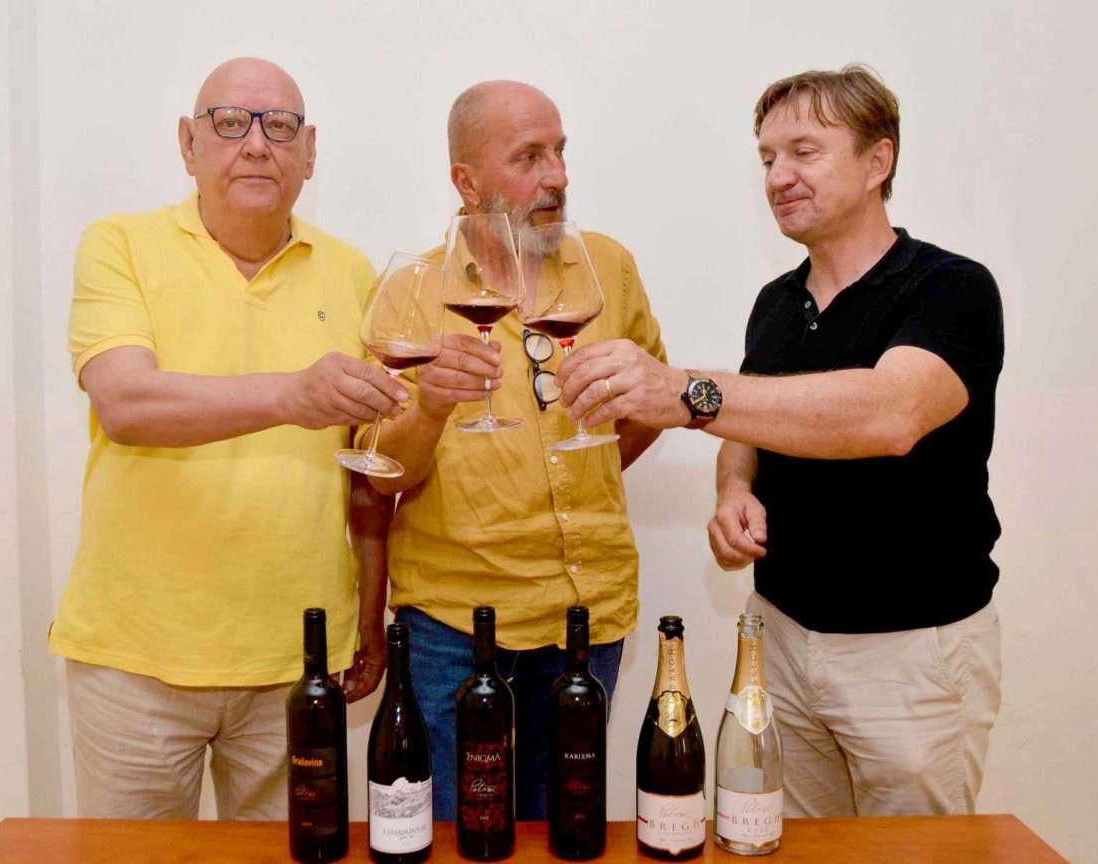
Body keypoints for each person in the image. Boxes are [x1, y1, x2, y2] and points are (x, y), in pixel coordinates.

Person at [557, 65, 1004, 817]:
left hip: (911, 656)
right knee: (781, 843)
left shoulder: (951, 288)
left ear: (878, 160)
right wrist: (734, 488)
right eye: (767, 158)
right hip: (783, 641)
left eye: (804, 151)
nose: (778, 176)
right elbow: (751, 426)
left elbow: (890, 414)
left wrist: (686, 392)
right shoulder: (777, 301)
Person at [48, 57, 406, 820]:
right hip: (133, 659)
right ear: (188, 143)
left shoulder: (352, 274)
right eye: (230, 122)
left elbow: (369, 475)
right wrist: (292, 394)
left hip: (302, 659)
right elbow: (125, 402)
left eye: (280, 126)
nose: (256, 144)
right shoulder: (119, 244)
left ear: (310, 152)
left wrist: (371, 617)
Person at [363, 80, 668, 820]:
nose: (557, 175)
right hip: (454, 629)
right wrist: (431, 407)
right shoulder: (412, 292)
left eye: (560, 152)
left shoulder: (606, 266)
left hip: (588, 617)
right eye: (529, 157)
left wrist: (582, 460)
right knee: (457, 830)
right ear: (467, 183)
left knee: (563, 828)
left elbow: (654, 398)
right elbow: (382, 474)